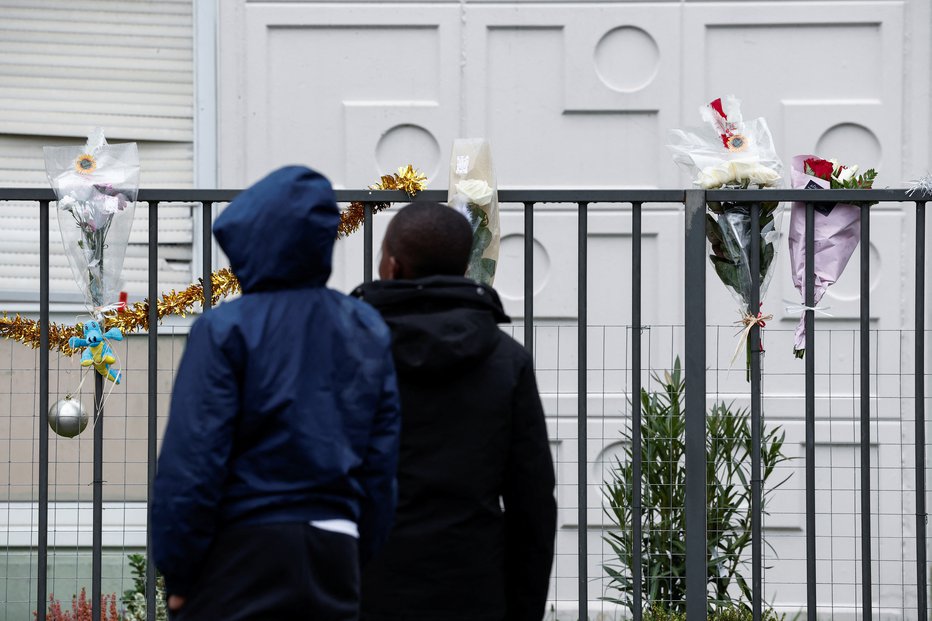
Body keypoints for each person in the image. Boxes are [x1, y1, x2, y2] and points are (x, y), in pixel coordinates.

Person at [151, 166, 401, 620]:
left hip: (240, 548)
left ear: (249, 242)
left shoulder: (226, 328)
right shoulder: (365, 328)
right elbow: (380, 464)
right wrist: (356, 553)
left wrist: (180, 572)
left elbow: (192, 462)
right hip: (334, 547)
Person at [352, 202, 557, 621]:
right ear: (465, 268)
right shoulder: (506, 360)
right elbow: (532, 503)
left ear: (390, 267)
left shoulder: (346, 354)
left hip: (365, 586)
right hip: (472, 588)